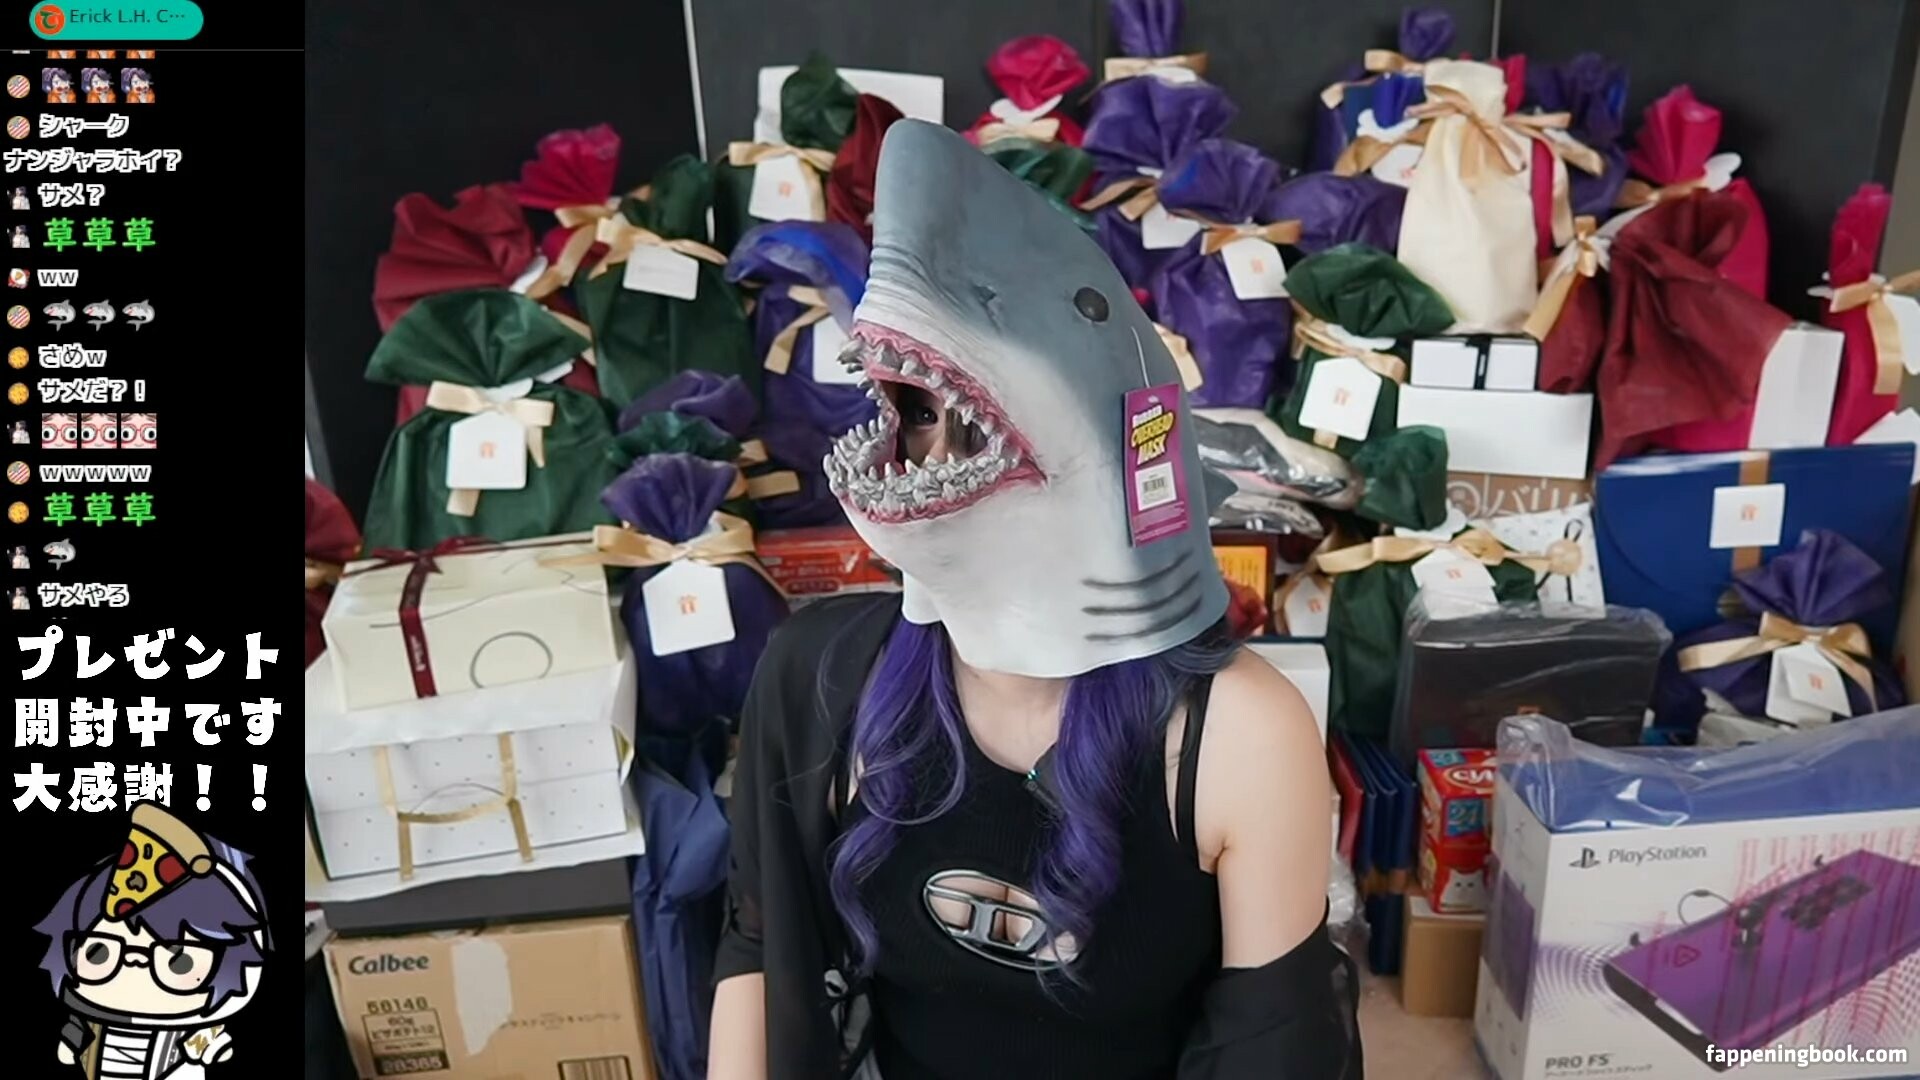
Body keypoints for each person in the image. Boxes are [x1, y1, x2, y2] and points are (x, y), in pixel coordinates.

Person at [708, 120, 1358, 1080]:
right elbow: (760, 947)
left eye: (964, 424)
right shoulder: (820, 677)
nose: (930, 450)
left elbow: (1274, 1048)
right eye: (917, 414)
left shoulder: (1241, 736)